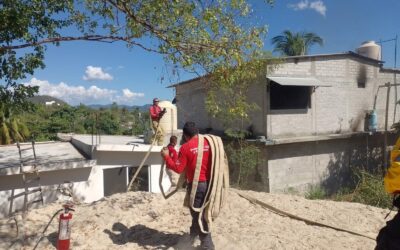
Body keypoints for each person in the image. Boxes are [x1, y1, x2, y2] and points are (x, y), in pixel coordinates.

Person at [161, 122, 215, 250]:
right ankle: (192, 236)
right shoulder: (210, 144)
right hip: (210, 184)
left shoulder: (185, 148)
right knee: (200, 212)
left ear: (185, 135)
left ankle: (208, 245)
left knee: (198, 215)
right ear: (197, 132)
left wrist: (166, 157)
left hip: (197, 186)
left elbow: (178, 168)